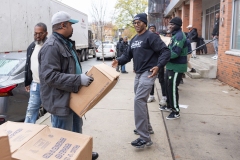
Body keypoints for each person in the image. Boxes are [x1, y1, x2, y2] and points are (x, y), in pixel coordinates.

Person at [38, 11, 98, 159]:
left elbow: (70, 67)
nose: (72, 28)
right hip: (60, 102)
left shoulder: (64, 43)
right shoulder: (52, 46)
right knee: (63, 139)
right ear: (63, 25)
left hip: (72, 98)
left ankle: (81, 154)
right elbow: (50, 76)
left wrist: (82, 77)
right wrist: (78, 80)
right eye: (71, 25)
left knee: (76, 131)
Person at [112, 13, 171, 148]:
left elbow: (165, 51)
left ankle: (144, 137)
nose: (136, 24)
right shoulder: (133, 40)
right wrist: (118, 60)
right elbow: (127, 55)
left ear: (144, 23)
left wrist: (159, 65)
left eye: (139, 22)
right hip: (138, 74)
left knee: (138, 100)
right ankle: (147, 127)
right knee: (141, 101)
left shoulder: (151, 37)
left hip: (148, 72)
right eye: (134, 22)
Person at [159, 17, 188, 120]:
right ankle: (169, 105)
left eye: (171, 24)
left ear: (177, 25)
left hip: (177, 67)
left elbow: (175, 53)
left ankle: (175, 111)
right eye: (169, 24)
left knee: (172, 89)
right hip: (171, 66)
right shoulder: (175, 35)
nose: (169, 26)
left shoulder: (179, 36)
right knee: (168, 87)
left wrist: (162, 57)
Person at [24, 22, 48, 123]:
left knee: (53, 110)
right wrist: (27, 81)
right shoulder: (31, 47)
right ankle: (26, 133)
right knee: (31, 110)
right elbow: (28, 65)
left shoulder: (49, 46)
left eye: (40, 33)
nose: (37, 36)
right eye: (35, 34)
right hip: (35, 84)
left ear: (46, 33)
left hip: (48, 85)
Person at [147, 24, 167, 106]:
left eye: (153, 28)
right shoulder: (146, 38)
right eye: (150, 28)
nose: (152, 30)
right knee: (151, 81)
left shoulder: (159, 38)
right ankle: (151, 96)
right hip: (151, 63)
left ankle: (164, 97)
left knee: (161, 80)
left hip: (159, 63)